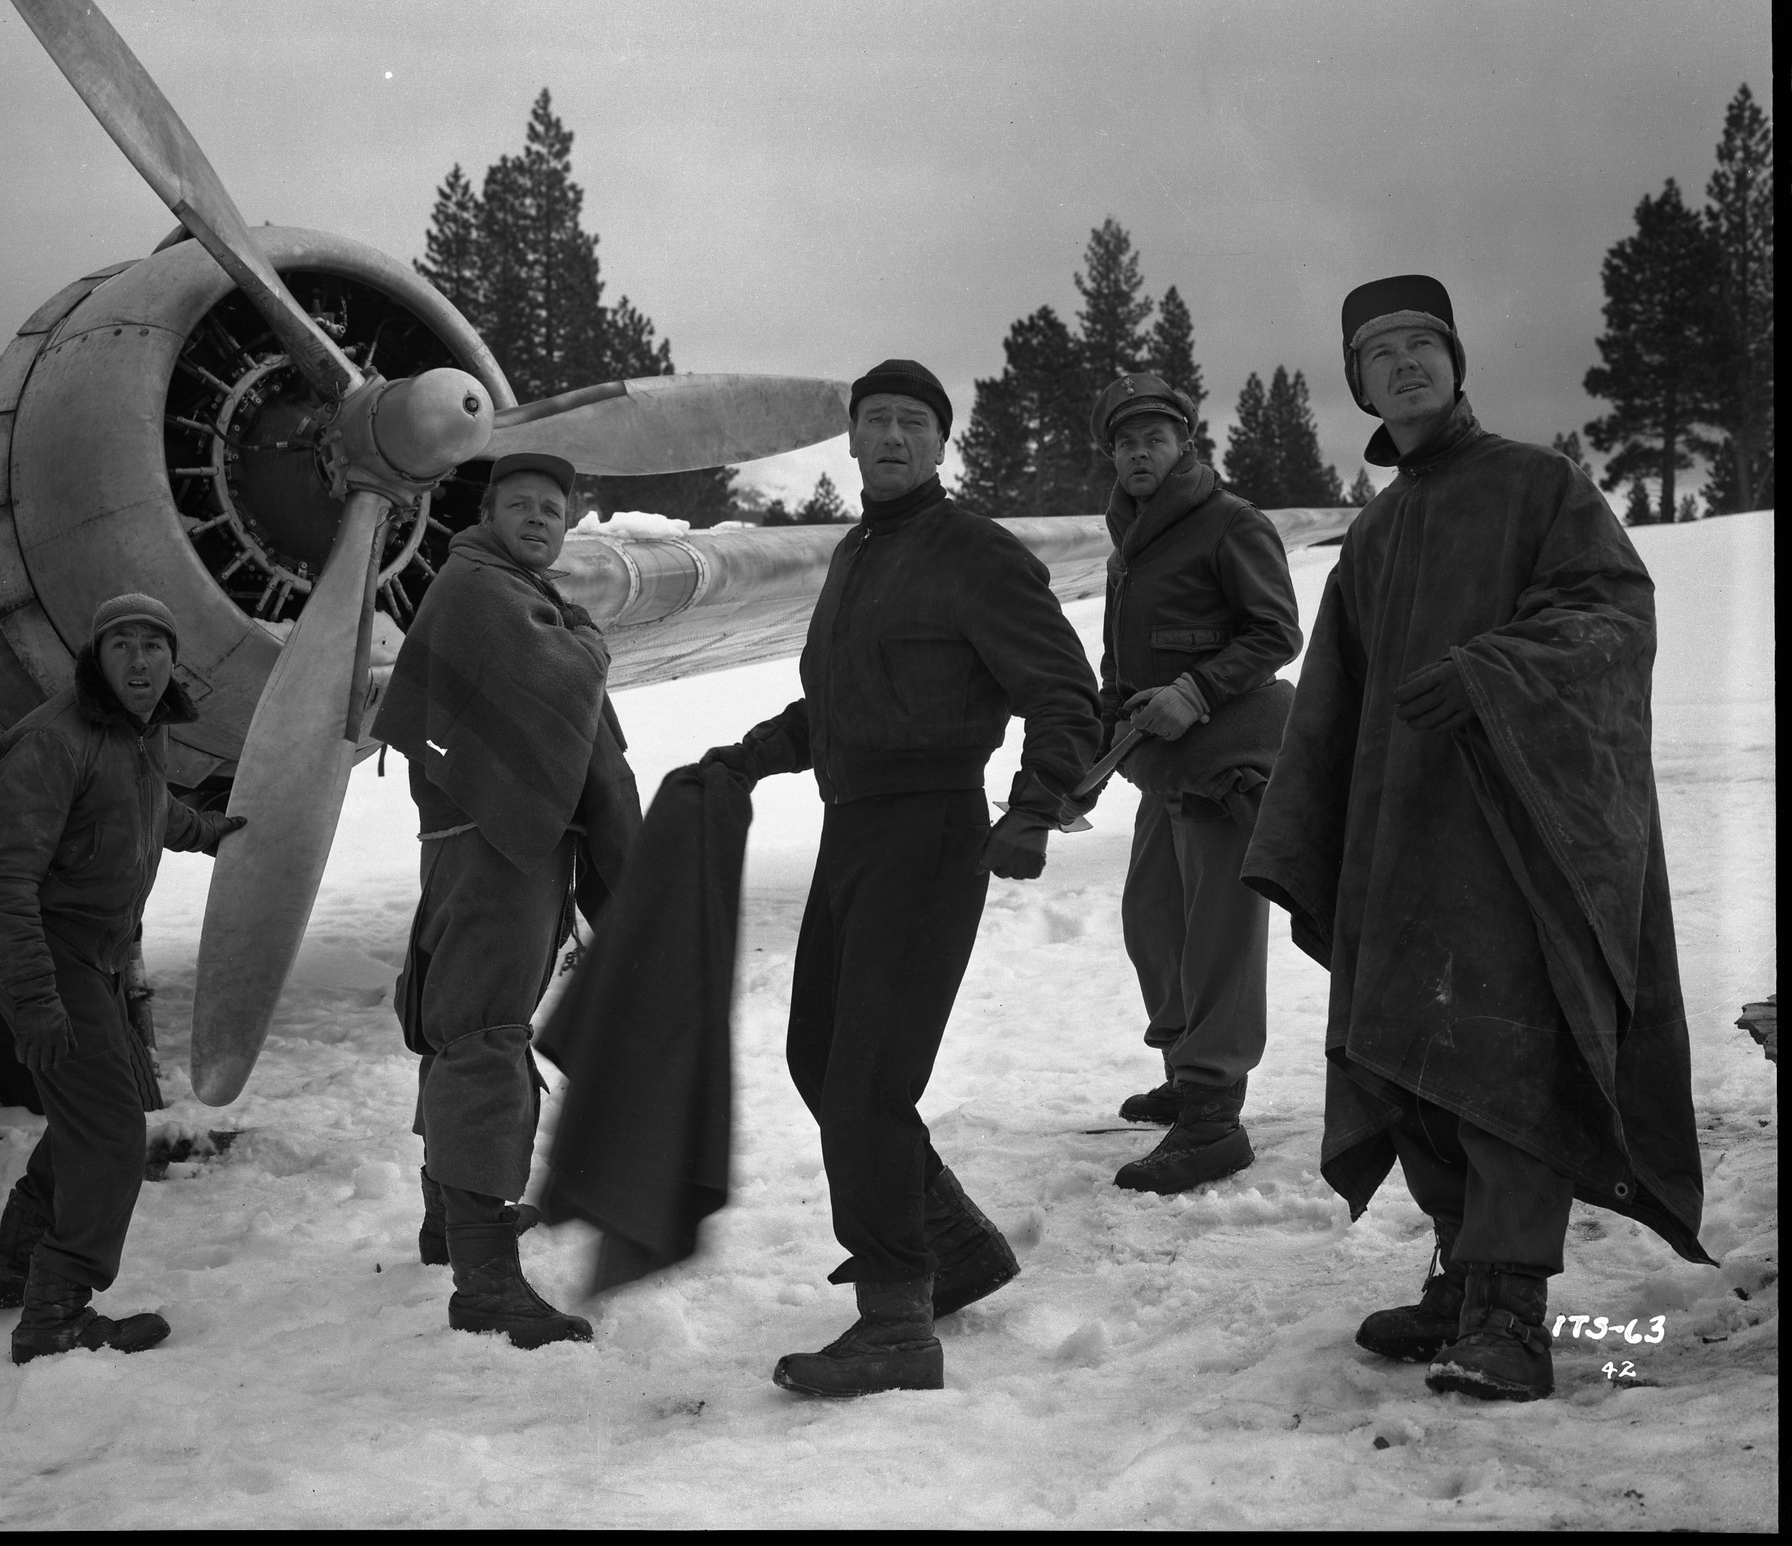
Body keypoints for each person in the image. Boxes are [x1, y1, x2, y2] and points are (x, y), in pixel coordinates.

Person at [1243, 275, 1711, 1403]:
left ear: (1454, 362)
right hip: (1402, 836)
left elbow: (1611, 613)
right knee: (1410, 1058)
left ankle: (1514, 1312)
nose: (1403, 364)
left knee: (1502, 1055)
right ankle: (1460, 1274)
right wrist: (1307, 833)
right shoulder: (1380, 528)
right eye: (1378, 352)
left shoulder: (1535, 485)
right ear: (1356, 381)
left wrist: (1493, 671)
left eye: (1421, 345)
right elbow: (1333, 700)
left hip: (1512, 834)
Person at [702, 358, 1103, 1397]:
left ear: (939, 441)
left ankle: (894, 1321)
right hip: (853, 827)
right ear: (849, 439)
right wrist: (747, 756)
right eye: (874, 418)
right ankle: (952, 1245)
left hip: (930, 830)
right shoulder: (857, 552)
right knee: (817, 1058)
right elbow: (839, 705)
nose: (890, 435)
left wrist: (1031, 806)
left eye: (911, 421)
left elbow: (1064, 692)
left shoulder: (972, 552)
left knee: (867, 1080)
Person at [372, 452, 641, 1351]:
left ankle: (451, 1223)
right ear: (489, 514)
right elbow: (561, 680)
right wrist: (589, 645)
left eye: (553, 511)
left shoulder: (506, 590)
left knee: (462, 1029)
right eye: (521, 505)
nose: (538, 520)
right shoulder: (483, 589)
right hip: (495, 851)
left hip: (489, 846)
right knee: (485, 1039)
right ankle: (486, 1283)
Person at [0, 593, 245, 1364]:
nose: (140, 661)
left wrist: (210, 833)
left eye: (154, 646)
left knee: (89, 1117)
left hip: (92, 960)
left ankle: (13, 1272)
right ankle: (55, 1312)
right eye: (121, 644)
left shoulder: (132, 736)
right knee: (114, 1134)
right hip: (50, 960)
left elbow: (146, 812)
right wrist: (35, 1003)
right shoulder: (53, 743)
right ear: (95, 656)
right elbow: (3, 881)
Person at [1091, 371, 1301, 1193]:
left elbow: (1277, 630)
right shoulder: (1127, 540)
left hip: (1228, 762)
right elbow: (1121, 659)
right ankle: (1188, 1071)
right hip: (1160, 764)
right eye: (1126, 442)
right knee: (1153, 919)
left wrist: (1197, 690)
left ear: (1184, 444)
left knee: (1218, 935)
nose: (1140, 452)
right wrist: (1096, 751)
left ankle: (1214, 1113)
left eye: (1156, 437)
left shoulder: (1230, 524)